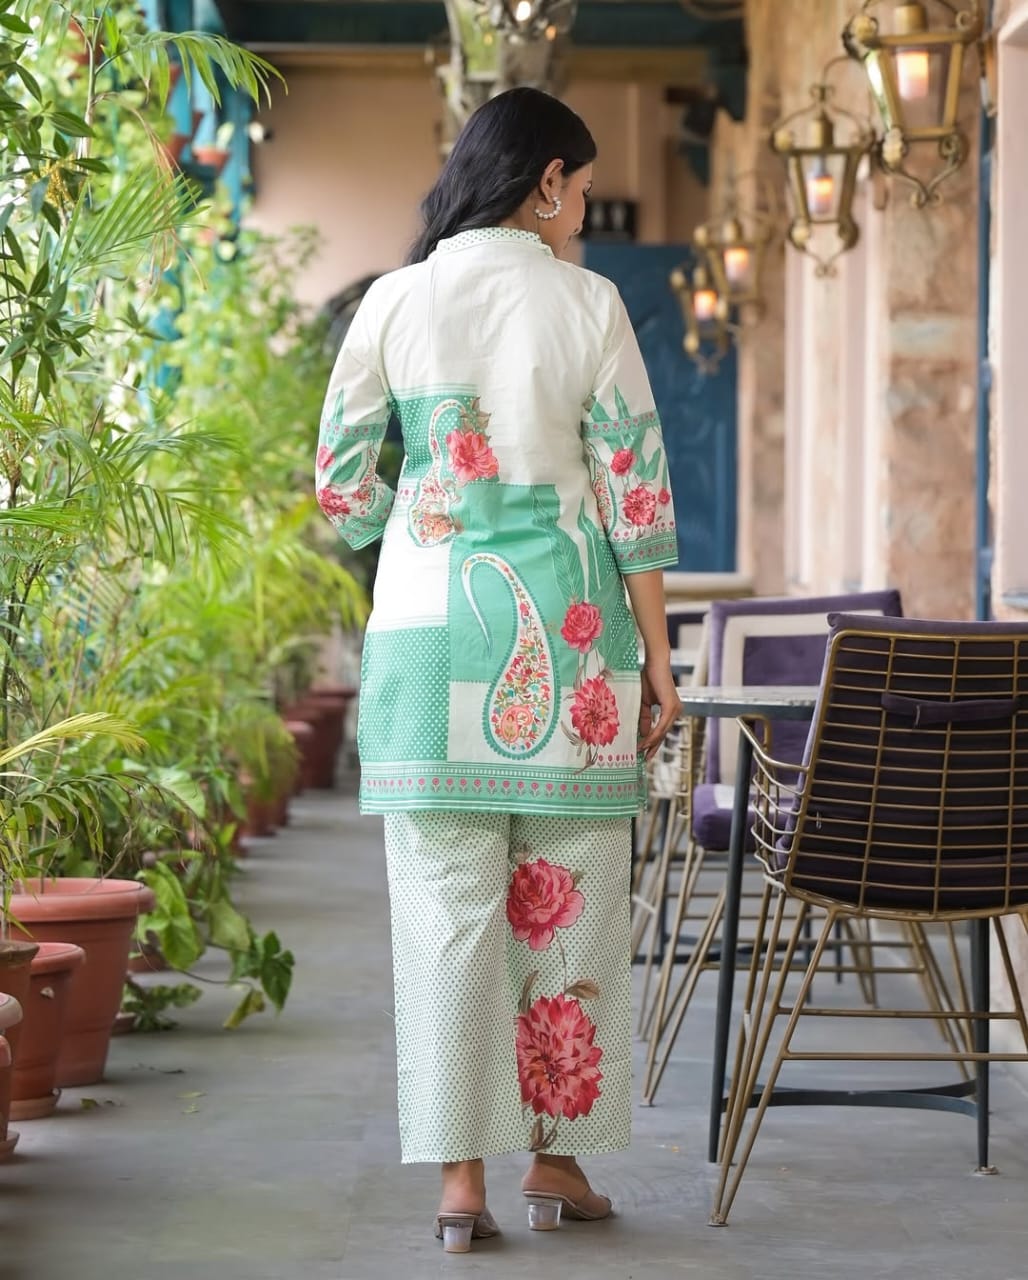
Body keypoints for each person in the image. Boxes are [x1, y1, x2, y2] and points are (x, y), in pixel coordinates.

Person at [315, 86, 681, 1254]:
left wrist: (420, 518)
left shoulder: (393, 298)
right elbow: (633, 497)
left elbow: (338, 484)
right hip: (569, 646)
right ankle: (555, 1160)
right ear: (544, 183)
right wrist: (658, 659)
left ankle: (459, 1182)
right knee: (566, 902)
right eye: (578, 188)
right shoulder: (588, 303)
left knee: (445, 914)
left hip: (427, 635)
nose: (580, 210)